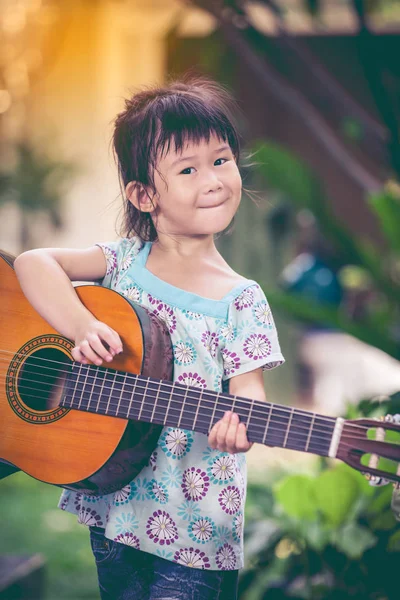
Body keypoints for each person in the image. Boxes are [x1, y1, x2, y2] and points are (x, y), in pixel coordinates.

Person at [14, 75, 285, 600]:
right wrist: (82, 326)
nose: (212, 180)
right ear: (143, 195)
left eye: (221, 160)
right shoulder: (120, 262)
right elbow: (32, 262)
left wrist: (242, 423)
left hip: (193, 520)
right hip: (113, 493)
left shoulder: (242, 299)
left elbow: (250, 391)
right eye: (188, 169)